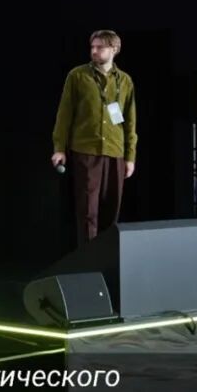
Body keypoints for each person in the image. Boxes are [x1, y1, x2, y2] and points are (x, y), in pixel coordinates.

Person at [51, 29, 137, 245]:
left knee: (112, 210)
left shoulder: (125, 81)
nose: (94, 51)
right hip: (86, 150)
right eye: (92, 47)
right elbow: (64, 114)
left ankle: (107, 256)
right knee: (88, 211)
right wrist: (59, 148)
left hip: (115, 151)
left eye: (100, 47)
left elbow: (130, 121)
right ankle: (88, 258)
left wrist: (130, 157)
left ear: (114, 49)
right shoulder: (78, 76)